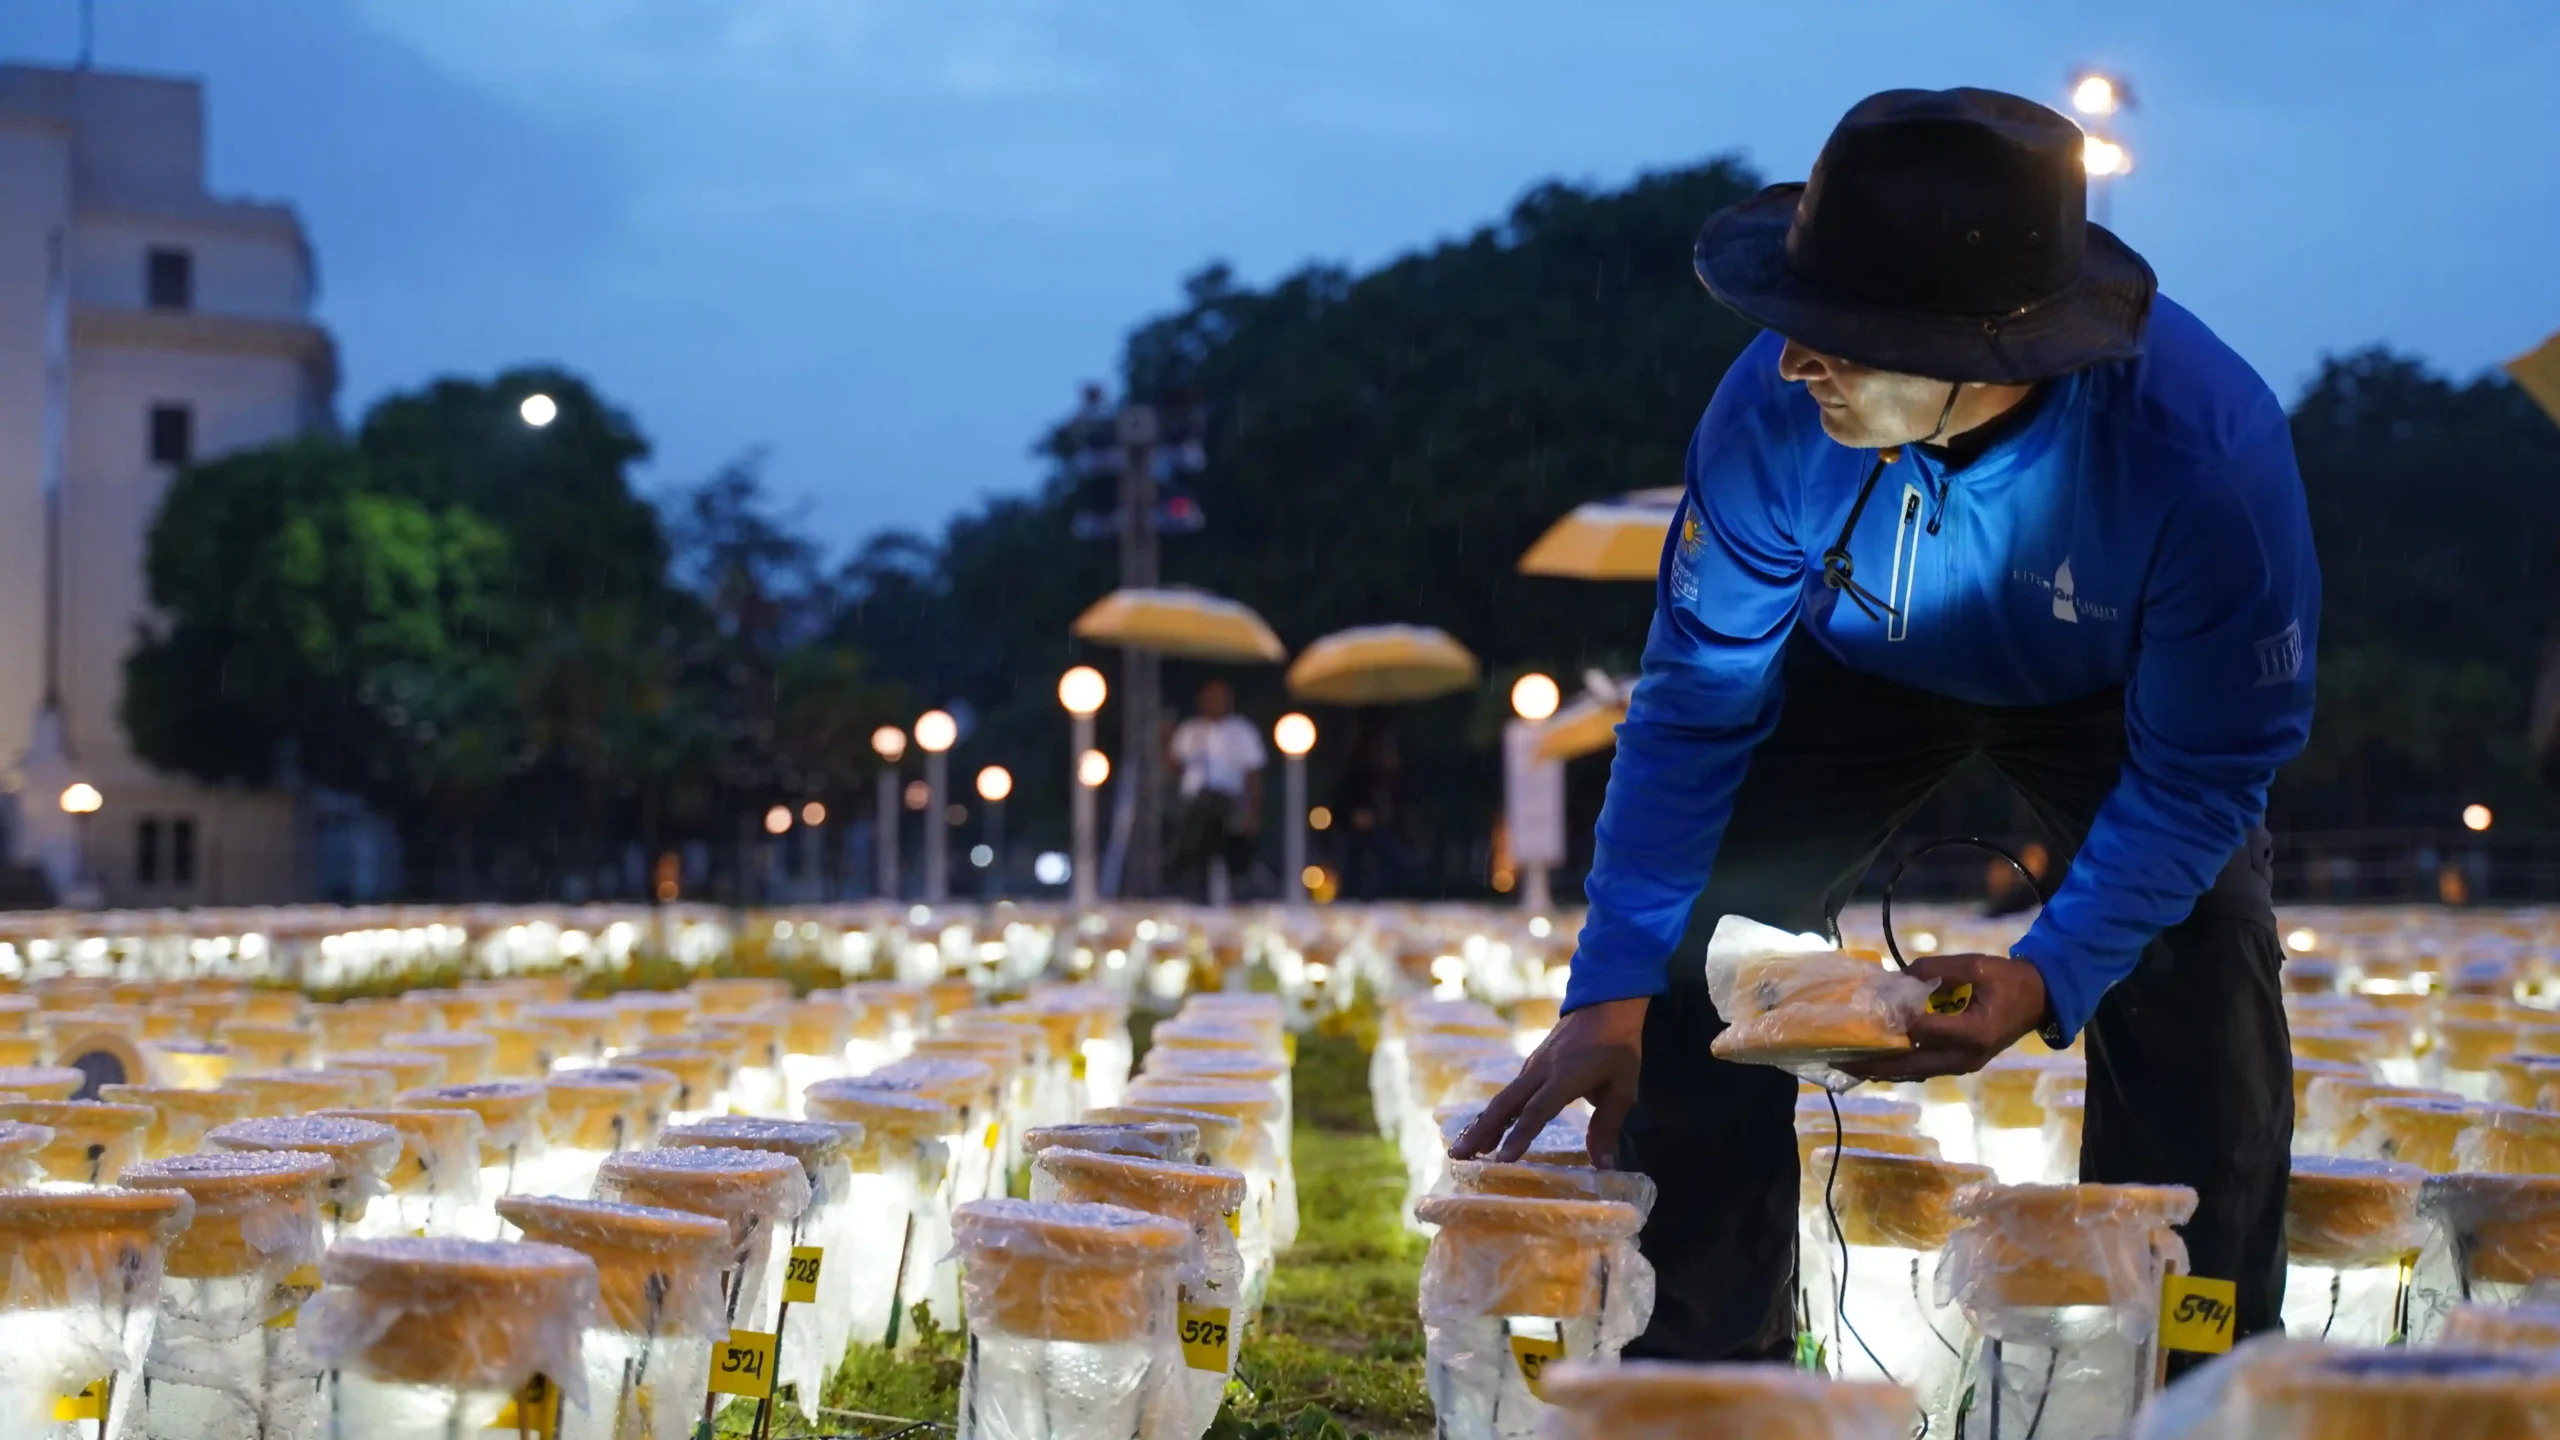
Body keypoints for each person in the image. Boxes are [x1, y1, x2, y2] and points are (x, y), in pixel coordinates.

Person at [1455, 88, 2317, 1363]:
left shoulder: (2201, 460)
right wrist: (1613, 985)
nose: (1797, 363)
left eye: (1844, 340)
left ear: (1988, 348)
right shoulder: (1770, 417)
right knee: (1700, 953)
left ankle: (2190, 1362)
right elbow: (1693, 700)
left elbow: (2206, 770)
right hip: (1851, 664)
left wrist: (2047, 971)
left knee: (2202, 988)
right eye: (1798, 325)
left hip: (2112, 698)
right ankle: (1703, 1369)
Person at [1167, 679, 1265, 902]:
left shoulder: (1242, 731)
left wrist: (1252, 813)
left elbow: (1254, 775)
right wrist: (1164, 738)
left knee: (1235, 864)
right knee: (1194, 860)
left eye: (1220, 697)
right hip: (1195, 804)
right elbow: (1174, 767)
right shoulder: (1190, 730)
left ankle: (1238, 904)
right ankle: (1194, 901)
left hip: (1230, 802)